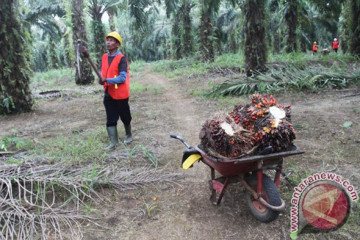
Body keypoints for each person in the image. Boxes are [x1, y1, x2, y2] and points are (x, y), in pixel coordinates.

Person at [99, 31, 132, 149]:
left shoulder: (121, 59)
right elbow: (101, 70)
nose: (108, 42)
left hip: (121, 94)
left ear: (117, 44)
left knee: (125, 116)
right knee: (111, 117)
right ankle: (113, 142)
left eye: (112, 40)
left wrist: (106, 80)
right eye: (108, 40)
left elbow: (122, 78)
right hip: (109, 92)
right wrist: (101, 78)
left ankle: (128, 134)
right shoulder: (104, 57)